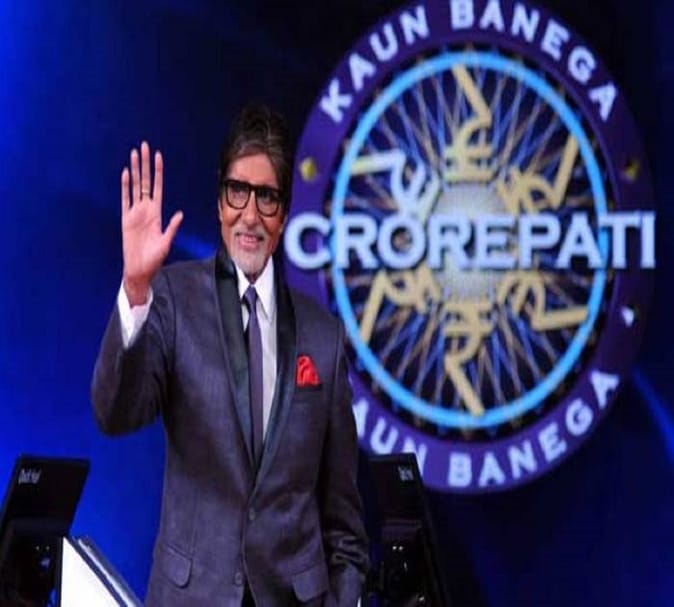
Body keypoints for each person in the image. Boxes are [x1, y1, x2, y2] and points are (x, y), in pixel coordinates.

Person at [91, 105, 368, 606]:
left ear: (284, 215)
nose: (250, 215)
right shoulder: (172, 298)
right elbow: (115, 412)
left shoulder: (324, 338)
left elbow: (344, 524)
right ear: (220, 203)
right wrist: (135, 289)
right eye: (238, 191)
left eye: (267, 197)